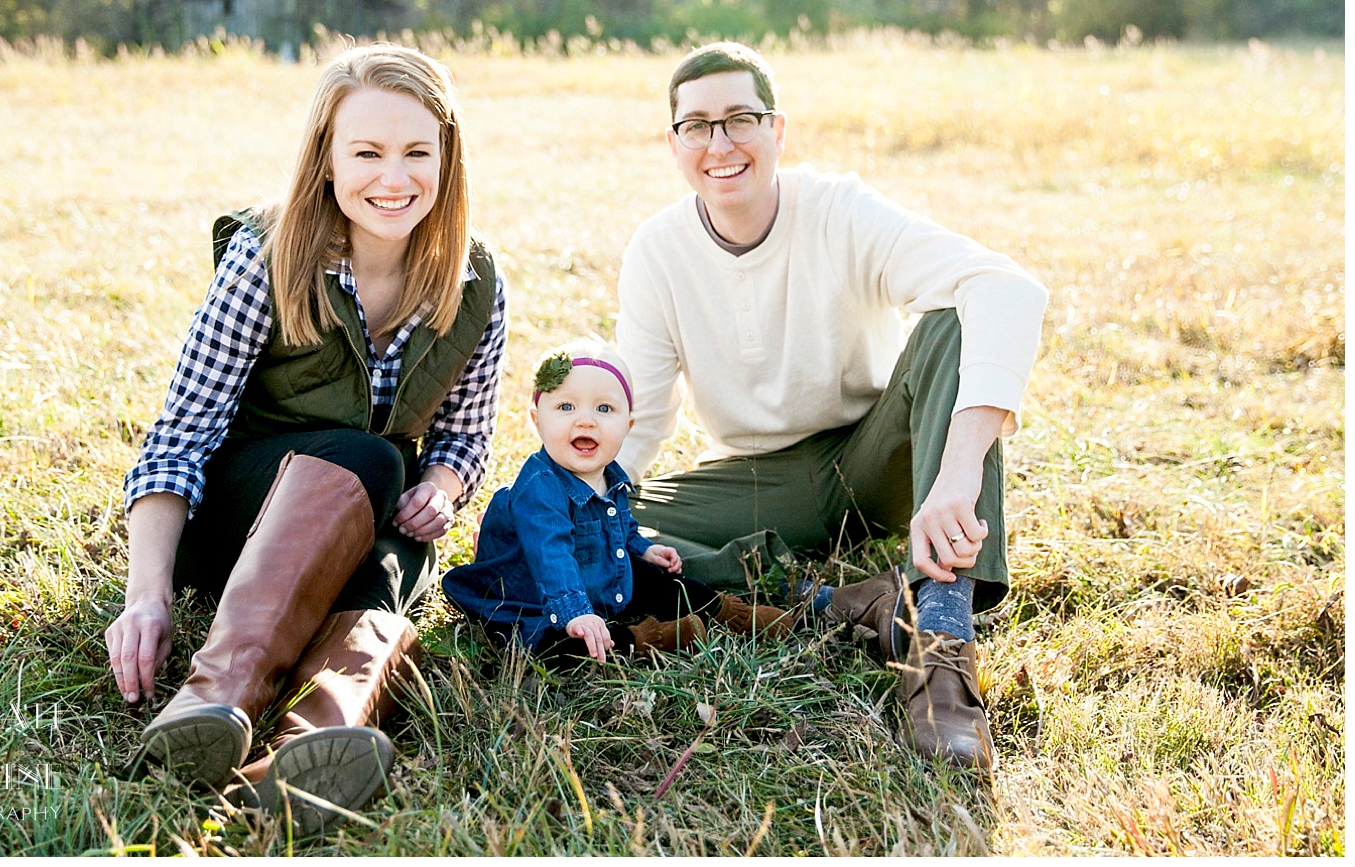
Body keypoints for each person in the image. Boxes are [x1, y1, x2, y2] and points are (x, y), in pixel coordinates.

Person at [104, 43, 507, 831]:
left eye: (416, 152)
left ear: (446, 157)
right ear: (326, 159)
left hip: (362, 526)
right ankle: (215, 697)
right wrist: (146, 595)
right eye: (366, 152)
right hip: (234, 522)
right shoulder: (268, 257)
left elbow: (465, 437)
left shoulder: (474, 283)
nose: (394, 178)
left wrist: (443, 488)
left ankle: (321, 731)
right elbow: (180, 437)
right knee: (371, 455)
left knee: (405, 544)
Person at [615, 41, 1048, 773]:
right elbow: (646, 415)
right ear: (674, 143)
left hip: (874, 457)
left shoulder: (839, 210)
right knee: (604, 522)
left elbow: (1005, 288)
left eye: (740, 119)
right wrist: (587, 504)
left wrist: (956, 472)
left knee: (951, 319)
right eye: (697, 125)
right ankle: (843, 606)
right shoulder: (656, 252)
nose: (720, 143)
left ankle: (941, 660)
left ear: (777, 130)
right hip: (761, 478)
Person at [442, 340, 794, 669]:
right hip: (534, 594)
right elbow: (551, 555)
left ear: (627, 426)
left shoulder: (610, 475)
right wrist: (574, 612)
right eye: (565, 407)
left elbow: (619, 528)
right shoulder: (539, 490)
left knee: (658, 580)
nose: (585, 420)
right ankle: (647, 639)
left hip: (595, 572)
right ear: (537, 420)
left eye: (604, 408)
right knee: (555, 644)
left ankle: (729, 613)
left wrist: (643, 548)